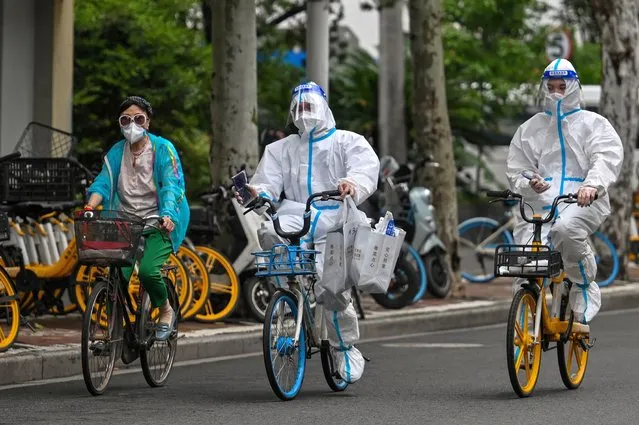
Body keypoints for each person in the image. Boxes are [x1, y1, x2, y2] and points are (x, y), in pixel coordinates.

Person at [238, 81, 380, 383]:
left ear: (324, 109)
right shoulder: (280, 149)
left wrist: (351, 184)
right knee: (268, 231)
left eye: (309, 107)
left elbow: (365, 168)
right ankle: (289, 291)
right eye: (299, 108)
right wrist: (256, 192)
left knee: (332, 291)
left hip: (334, 219)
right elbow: (268, 183)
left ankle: (344, 347)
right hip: (296, 216)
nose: (304, 113)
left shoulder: (346, 141)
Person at [506, 59, 623, 324]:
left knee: (566, 230)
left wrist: (591, 185)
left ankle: (583, 284)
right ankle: (524, 331)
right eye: (552, 86)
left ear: (573, 87)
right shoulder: (530, 128)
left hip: (581, 200)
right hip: (539, 203)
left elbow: (605, 157)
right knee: (526, 263)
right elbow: (518, 168)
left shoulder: (594, 124)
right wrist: (529, 182)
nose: (556, 92)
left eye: (562, 86)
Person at [84, 96, 190, 341]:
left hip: (159, 222)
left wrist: (169, 214)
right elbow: (103, 182)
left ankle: (165, 310)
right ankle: (114, 332)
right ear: (120, 124)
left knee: (149, 272)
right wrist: (91, 204)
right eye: (126, 120)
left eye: (138, 118)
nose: (132, 124)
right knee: (115, 277)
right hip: (125, 223)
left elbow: (172, 185)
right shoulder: (116, 152)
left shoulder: (163, 148)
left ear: (148, 122)